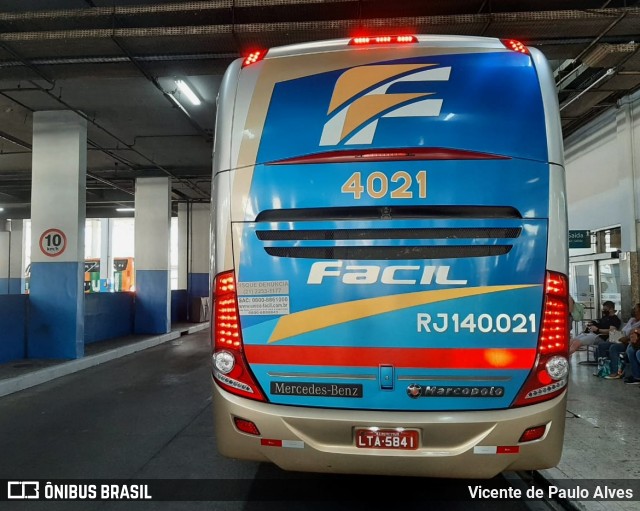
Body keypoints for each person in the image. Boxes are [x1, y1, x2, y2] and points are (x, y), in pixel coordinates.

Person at [599, 303, 640, 379]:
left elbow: (635, 334)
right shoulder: (632, 320)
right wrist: (616, 336)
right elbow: (624, 330)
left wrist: (626, 338)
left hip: (628, 341)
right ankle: (603, 369)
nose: (633, 310)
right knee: (602, 345)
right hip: (621, 336)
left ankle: (615, 372)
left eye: (635, 309)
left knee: (613, 347)